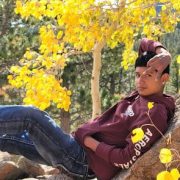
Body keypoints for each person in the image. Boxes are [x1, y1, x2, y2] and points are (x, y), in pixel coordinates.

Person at [0, 39, 175, 180]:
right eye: (137, 75)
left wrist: (89, 141)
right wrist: (162, 53)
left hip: (81, 160)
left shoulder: (155, 113)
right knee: (7, 139)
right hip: (74, 149)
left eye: (148, 75)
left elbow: (125, 158)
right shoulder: (142, 94)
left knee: (30, 117)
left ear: (164, 78)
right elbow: (144, 43)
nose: (140, 81)